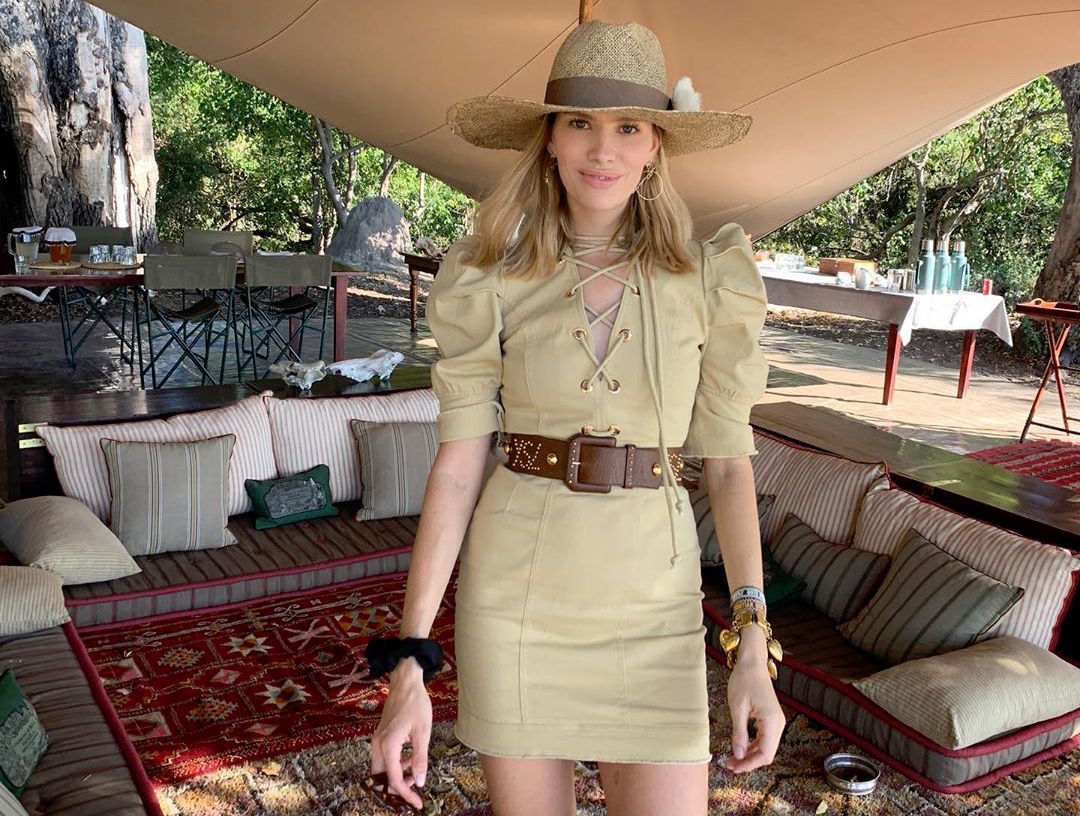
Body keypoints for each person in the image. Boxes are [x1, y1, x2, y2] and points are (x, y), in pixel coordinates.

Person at [367, 19, 786, 816]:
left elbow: (730, 470)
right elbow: (457, 470)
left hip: (655, 602)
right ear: (550, 140)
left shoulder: (710, 280)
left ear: (656, 145)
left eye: (629, 127)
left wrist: (752, 642)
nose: (603, 149)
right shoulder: (489, 276)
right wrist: (410, 661)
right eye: (581, 123)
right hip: (517, 599)